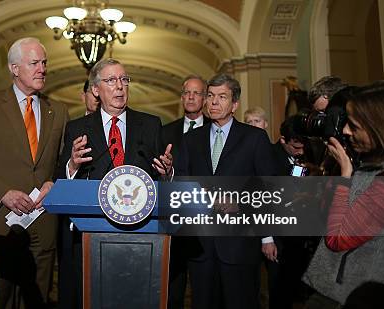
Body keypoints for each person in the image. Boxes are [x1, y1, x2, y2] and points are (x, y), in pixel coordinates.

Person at [56, 58, 173, 309]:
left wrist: (167, 171)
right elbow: (61, 180)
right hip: (92, 233)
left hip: (140, 234)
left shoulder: (151, 125)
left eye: (124, 79)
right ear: (96, 90)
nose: (120, 86)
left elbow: (162, 177)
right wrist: (73, 165)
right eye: (111, 80)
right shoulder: (77, 128)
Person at [0, 37, 68, 308]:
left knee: (38, 299)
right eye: (34, 63)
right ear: (14, 68)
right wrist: (2, 193)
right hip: (0, 222)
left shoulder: (59, 111)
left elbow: (62, 161)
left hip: (42, 221)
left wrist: (54, 183)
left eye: (44, 63)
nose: (42, 68)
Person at [303, 81, 384, 308]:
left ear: (379, 127)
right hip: (336, 288)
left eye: (354, 125)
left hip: (359, 294)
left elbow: (338, 238)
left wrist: (344, 175)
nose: (345, 131)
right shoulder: (375, 164)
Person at [176, 73, 277, 309]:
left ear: (234, 104)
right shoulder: (191, 139)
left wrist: (240, 203)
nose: (213, 102)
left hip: (239, 245)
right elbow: (182, 181)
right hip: (200, 246)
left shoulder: (254, 138)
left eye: (222, 97)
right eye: (210, 96)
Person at [162, 74, 208, 309]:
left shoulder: (215, 130)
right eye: (186, 93)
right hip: (174, 221)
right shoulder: (165, 132)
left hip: (205, 222)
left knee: (205, 290)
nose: (190, 97)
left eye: (196, 93)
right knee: (172, 291)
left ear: (205, 98)